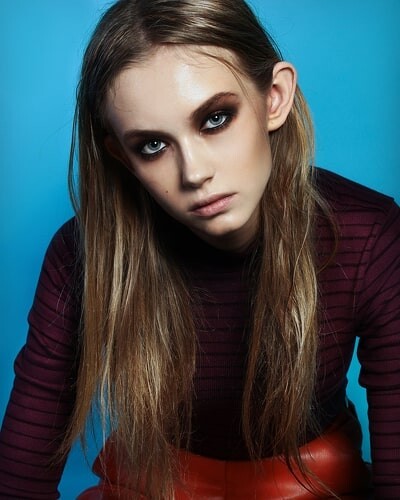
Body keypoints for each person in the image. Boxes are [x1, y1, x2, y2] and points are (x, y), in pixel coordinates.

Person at [0, 0, 399, 498]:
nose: (194, 173)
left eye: (215, 118)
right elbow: (21, 476)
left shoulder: (368, 235)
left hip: (315, 483)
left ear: (274, 98)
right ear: (121, 155)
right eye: (152, 146)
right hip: (154, 485)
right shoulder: (83, 255)